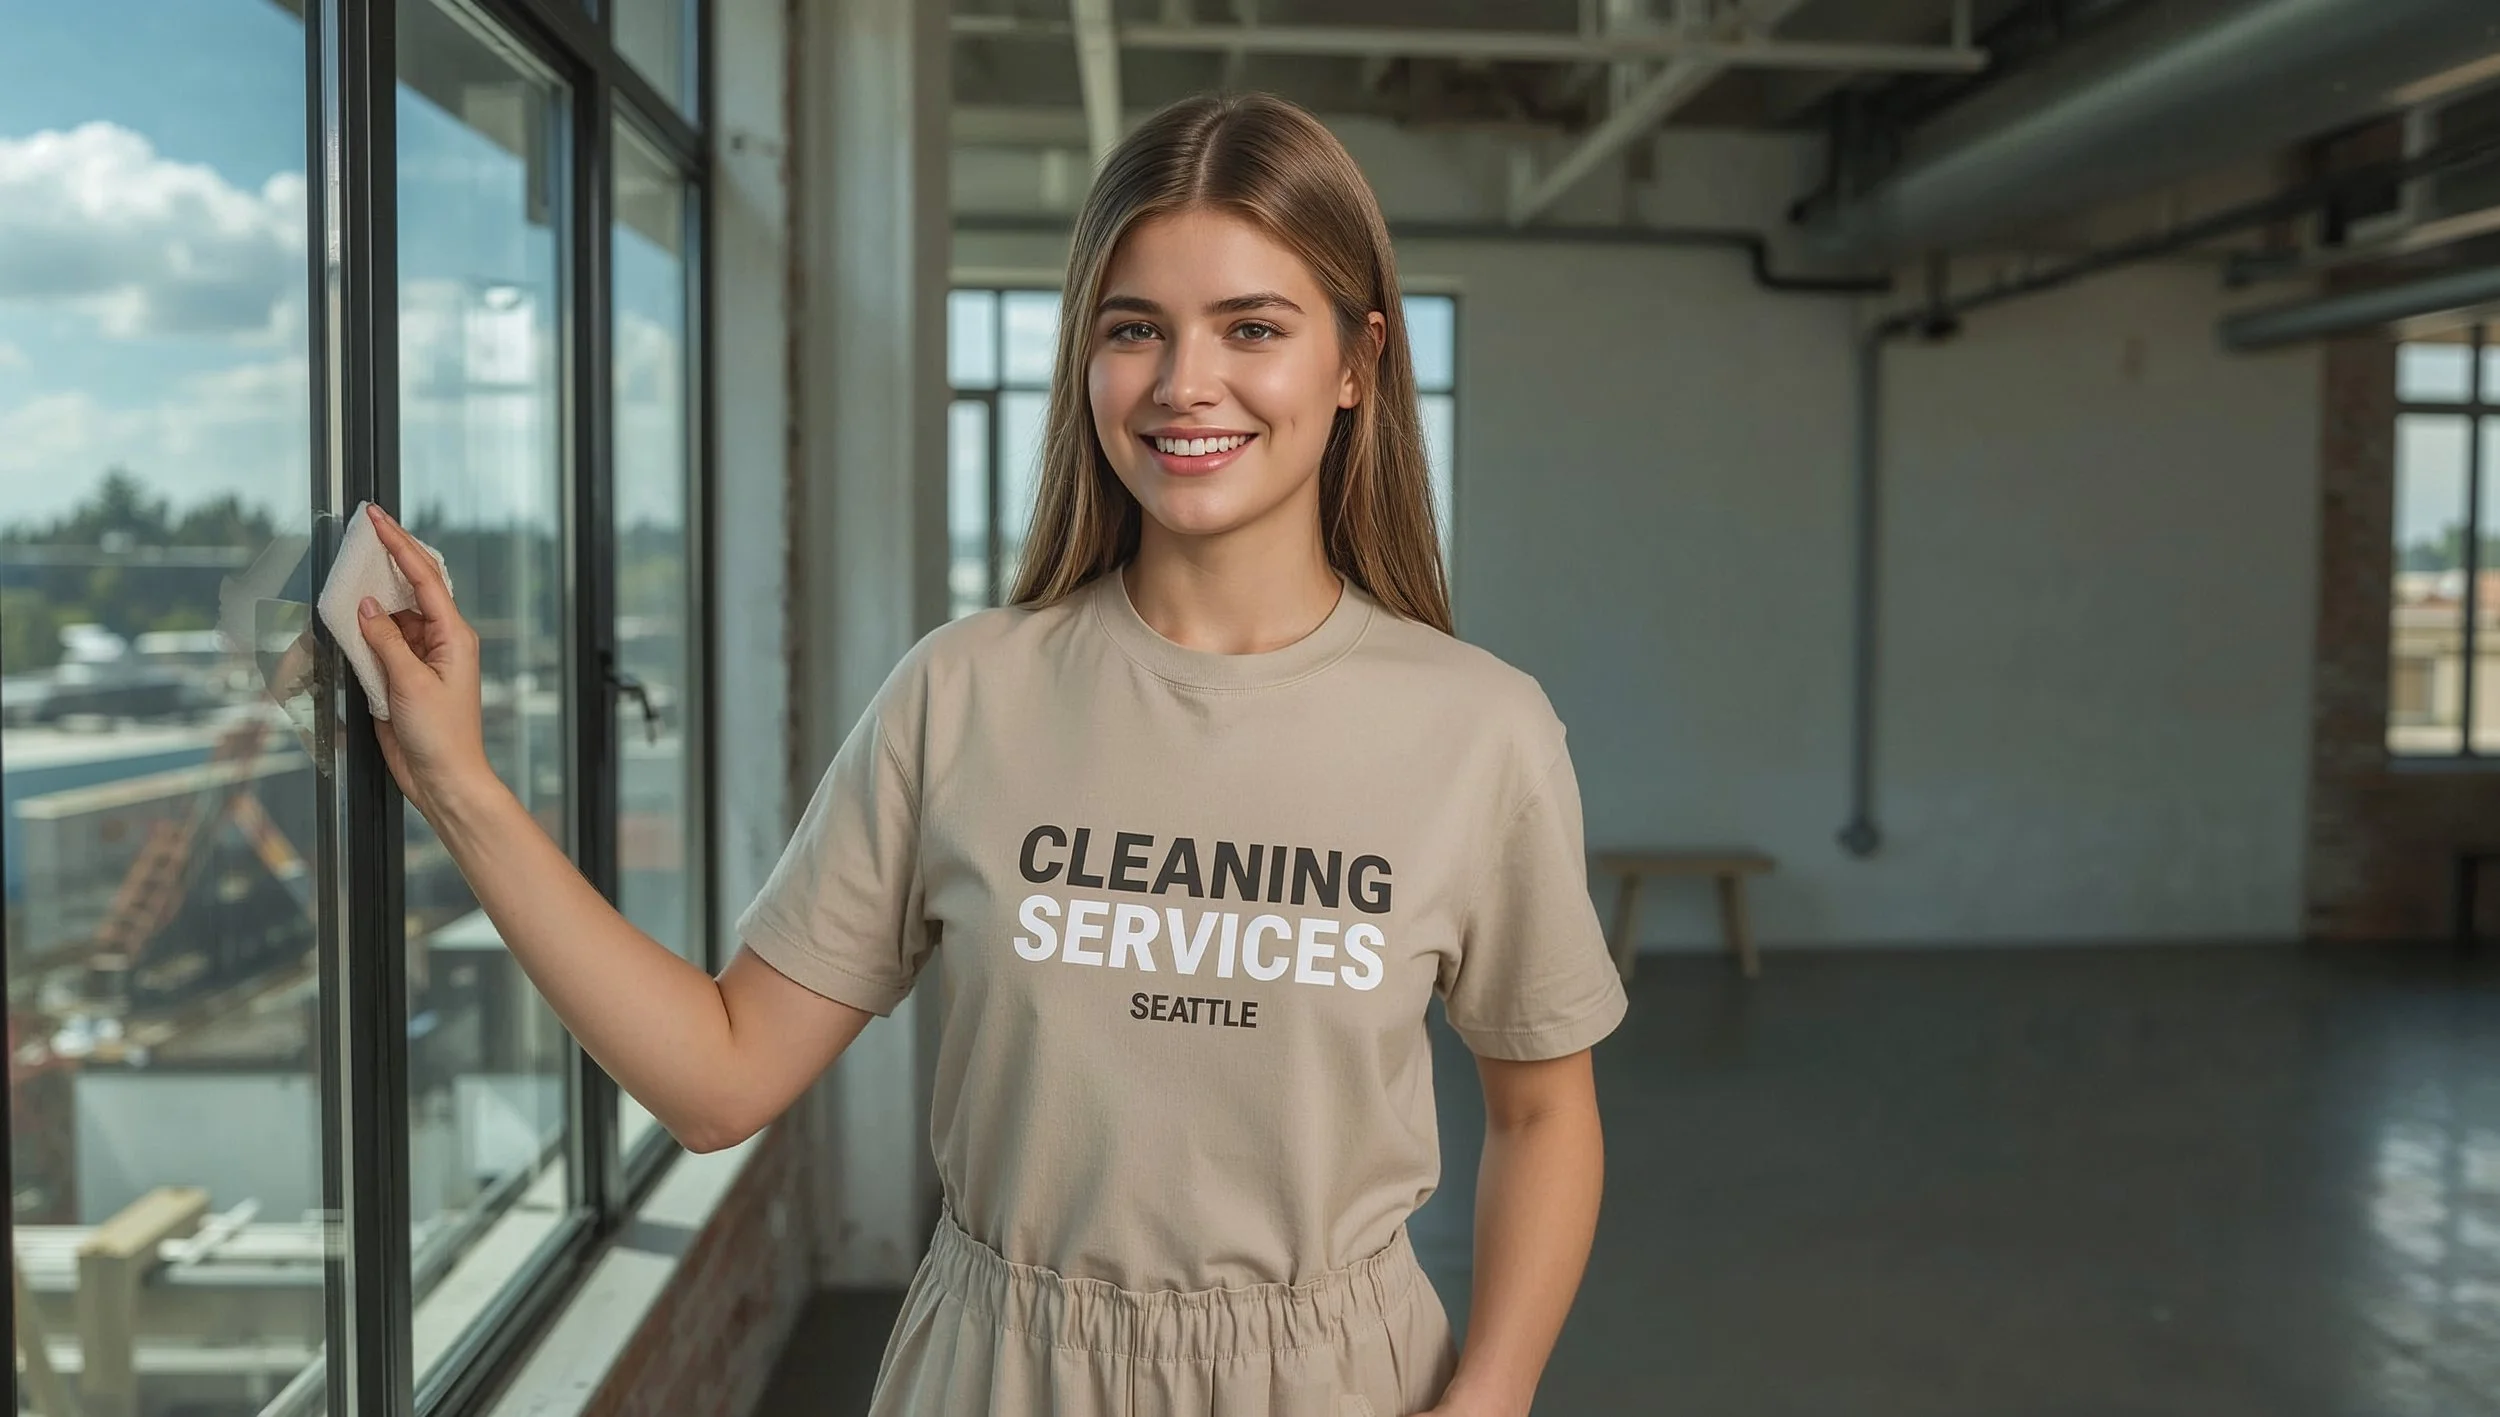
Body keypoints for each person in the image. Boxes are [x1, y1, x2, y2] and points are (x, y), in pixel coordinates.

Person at [355, 90, 1627, 1417]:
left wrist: (1492, 1393)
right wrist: (460, 783)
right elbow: (717, 1079)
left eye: (1253, 327)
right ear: (1088, 358)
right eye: (1137, 330)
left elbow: (1544, 1117)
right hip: (1000, 1372)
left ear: (1357, 361)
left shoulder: (1479, 731)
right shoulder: (963, 696)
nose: (1187, 383)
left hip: (1338, 1382)